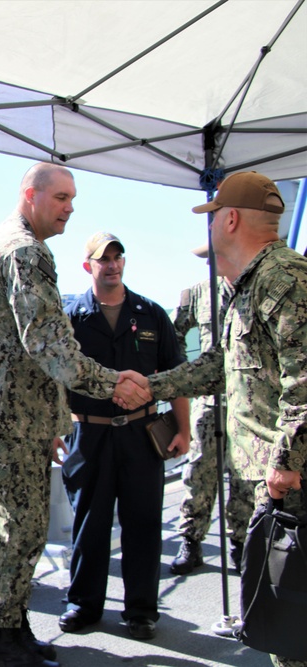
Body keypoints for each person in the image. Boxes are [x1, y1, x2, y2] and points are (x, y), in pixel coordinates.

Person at [0, 161, 153, 667]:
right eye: (62, 198)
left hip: (12, 417)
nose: (70, 209)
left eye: (73, 199)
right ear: (31, 194)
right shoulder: (25, 251)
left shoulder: (0, 243)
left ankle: (13, 626)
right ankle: (3, 641)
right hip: (8, 421)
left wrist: (51, 421)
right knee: (16, 532)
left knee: (18, 531)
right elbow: (50, 347)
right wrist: (116, 383)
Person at [145, 171, 305, 667]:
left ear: (230, 218)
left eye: (211, 218)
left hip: (289, 484)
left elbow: (305, 385)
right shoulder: (249, 287)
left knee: (295, 625)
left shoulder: (286, 280)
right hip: (271, 482)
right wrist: (152, 387)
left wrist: (284, 468)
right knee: (282, 625)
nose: (208, 229)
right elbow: (222, 364)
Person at [58, 232, 189, 641]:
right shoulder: (68, 316)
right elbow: (50, 379)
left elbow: (176, 372)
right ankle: (83, 604)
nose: (112, 264)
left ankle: (141, 611)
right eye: (103, 259)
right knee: (89, 524)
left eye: (117, 257)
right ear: (88, 267)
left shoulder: (150, 313)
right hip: (88, 435)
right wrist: (51, 431)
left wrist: (184, 428)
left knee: (144, 524)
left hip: (140, 434)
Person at [169, 247, 256, 576]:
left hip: (245, 401)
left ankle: (241, 541)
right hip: (208, 402)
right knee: (198, 471)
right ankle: (191, 540)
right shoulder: (197, 293)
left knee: (243, 475)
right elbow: (173, 335)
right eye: (210, 257)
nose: (214, 262)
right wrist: (186, 374)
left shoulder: (248, 288)